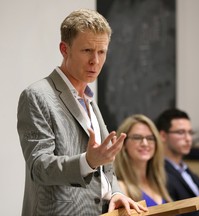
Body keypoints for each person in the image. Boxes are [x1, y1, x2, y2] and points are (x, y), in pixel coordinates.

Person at [17, 9, 147, 216]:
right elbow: (39, 167)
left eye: (102, 52)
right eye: (87, 50)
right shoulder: (37, 95)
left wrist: (114, 192)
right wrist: (88, 161)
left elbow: (106, 168)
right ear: (64, 49)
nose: (95, 61)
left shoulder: (89, 98)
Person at [155, 108, 199, 216]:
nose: (188, 138)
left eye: (190, 133)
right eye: (181, 132)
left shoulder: (186, 170)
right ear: (163, 136)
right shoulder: (160, 173)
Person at [114, 114, 172, 207]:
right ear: (123, 143)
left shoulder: (159, 182)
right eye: (137, 137)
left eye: (150, 138)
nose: (145, 143)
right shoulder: (119, 188)